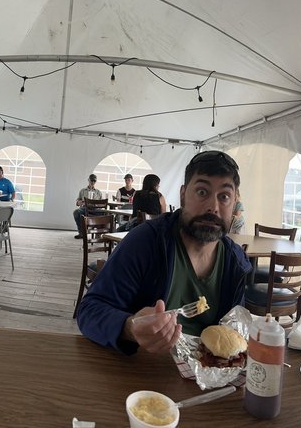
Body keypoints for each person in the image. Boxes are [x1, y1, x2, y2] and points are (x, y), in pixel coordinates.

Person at [76, 151, 252, 355]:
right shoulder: (146, 242)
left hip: (208, 372)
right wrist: (129, 327)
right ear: (183, 195)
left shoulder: (235, 262)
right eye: (202, 192)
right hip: (144, 368)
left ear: (234, 203)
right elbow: (89, 311)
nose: (213, 207)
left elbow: (233, 331)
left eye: (224, 196)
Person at [73, 174, 104, 239]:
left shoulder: (98, 192)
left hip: (95, 210)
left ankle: (99, 233)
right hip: (85, 208)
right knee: (76, 212)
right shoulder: (83, 191)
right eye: (91, 180)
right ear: (88, 180)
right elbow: (77, 202)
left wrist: (97, 204)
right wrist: (79, 202)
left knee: (106, 213)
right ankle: (81, 232)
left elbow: (102, 204)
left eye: (94, 181)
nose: (93, 182)